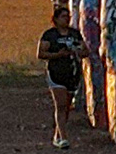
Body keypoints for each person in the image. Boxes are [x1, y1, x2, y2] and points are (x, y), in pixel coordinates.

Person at [37, 12, 86, 146]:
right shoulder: (49, 35)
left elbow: (85, 51)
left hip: (72, 73)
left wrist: (76, 51)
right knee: (61, 104)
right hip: (56, 72)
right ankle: (64, 138)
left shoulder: (75, 34)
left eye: (68, 17)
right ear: (55, 19)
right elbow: (41, 54)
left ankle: (57, 135)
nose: (67, 19)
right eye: (63, 17)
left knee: (67, 106)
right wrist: (58, 54)